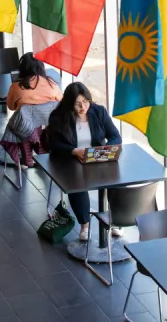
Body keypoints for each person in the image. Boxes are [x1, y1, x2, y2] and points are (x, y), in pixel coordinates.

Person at [46, 82, 122, 241]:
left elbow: (115, 136)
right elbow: (52, 143)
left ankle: (115, 221)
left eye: (86, 102)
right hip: (71, 159)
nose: (83, 107)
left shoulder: (98, 111)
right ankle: (84, 225)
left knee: (116, 180)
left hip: (96, 157)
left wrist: (104, 150)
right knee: (77, 184)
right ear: (69, 103)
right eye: (78, 104)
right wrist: (73, 151)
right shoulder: (58, 116)